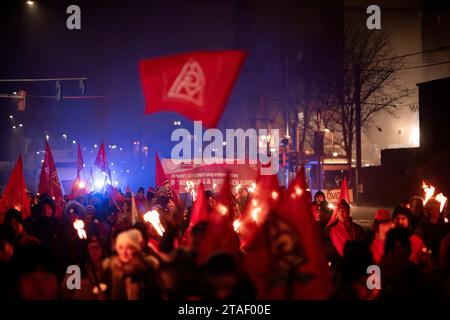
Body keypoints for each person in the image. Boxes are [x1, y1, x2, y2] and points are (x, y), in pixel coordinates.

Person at [101, 229, 162, 300]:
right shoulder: (109, 271)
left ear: (136, 249)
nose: (124, 252)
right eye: (120, 247)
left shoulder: (147, 269)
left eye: (129, 248)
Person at [24, 196, 76, 277]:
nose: (46, 211)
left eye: (49, 208)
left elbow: (68, 247)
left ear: (53, 209)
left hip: (58, 268)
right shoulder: (34, 225)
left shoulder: (60, 225)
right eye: (44, 208)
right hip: (40, 270)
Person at [380, 228, 426, 299]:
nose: (411, 247)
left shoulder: (412, 271)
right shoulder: (410, 273)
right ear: (398, 245)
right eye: (408, 243)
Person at [416, 199, 450, 265]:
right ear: (430, 210)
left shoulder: (444, 226)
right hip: (429, 259)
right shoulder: (424, 226)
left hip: (443, 259)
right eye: (437, 208)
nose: (439, 211)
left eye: (439, 208)